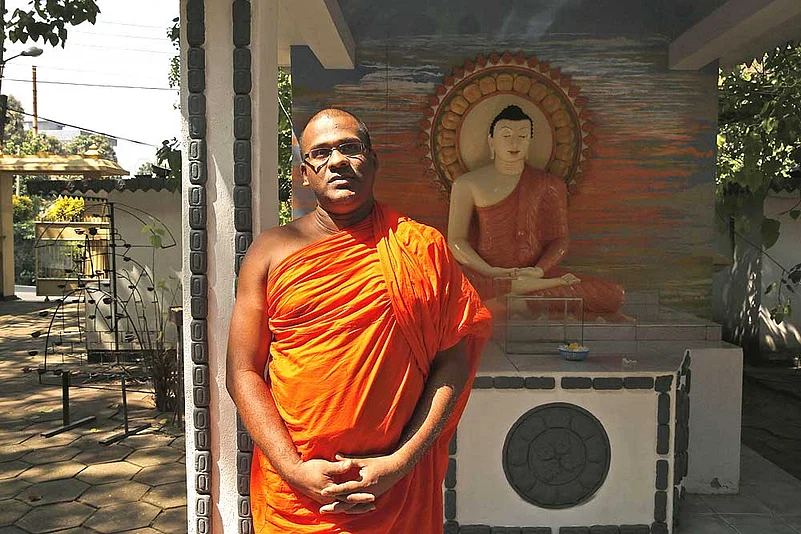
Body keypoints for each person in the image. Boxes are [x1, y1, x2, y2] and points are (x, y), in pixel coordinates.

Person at [226, 108, 492, 533]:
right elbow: (242, 372)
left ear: (372, 160)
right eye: (320, 153)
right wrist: (293, 469)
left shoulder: (421, 249)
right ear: (304, 174)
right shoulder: (270, 252)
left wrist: (399, 462)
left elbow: (452, 363)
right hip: (297, 495)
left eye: (350, 147)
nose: (336, 161)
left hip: (397, 489)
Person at [447, 104, 624, 319]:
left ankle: (516, 299)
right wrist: (489, 271)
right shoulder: (466, 184)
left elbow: (559, 240)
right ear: (491, 141)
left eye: (522, 136)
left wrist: (539, 271)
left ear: (530, 142)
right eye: (506, 135)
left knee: (613, 294)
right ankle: (521, 298)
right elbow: (455, 240)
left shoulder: (549, 184)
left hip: (535, 276)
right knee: (453, 287)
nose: (514, 143)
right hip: (484, 275)